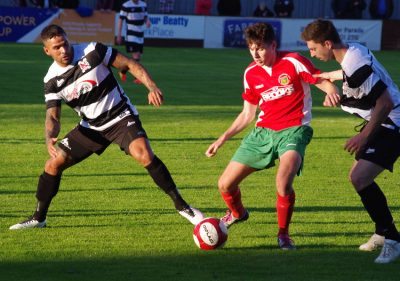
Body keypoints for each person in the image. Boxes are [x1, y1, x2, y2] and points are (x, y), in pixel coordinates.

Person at [9, 24, 204, 230]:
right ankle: (39, 218)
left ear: (69, 39)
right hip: (91, 127)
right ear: (47, 51)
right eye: (56, 47)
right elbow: (53, 116)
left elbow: (128, 64)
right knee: (53, 164)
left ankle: (183, 206)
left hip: (120, 116)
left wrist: (151, 86)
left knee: (144, 154)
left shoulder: (92, 51)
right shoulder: (51, 81)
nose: (64, 50)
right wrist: (50, 136)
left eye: (65, 44)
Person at [205, 22, 340, 250]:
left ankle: (283, 234)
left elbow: (322, 80)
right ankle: (238, 213)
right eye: (251, 48)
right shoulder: (250, 74)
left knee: (283, 182)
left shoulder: (293, 61)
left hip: (294, 129)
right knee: (225, 185)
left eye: (260, 48)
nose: (256, 54)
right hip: (262, 133)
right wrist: (222, 138)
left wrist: (332, 93)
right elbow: (248, 114)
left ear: (273, 45)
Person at [301, 19, 400, 264]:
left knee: (359, 178)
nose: (311, 53)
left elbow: (384, 103)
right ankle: (382, 231)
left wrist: (363, 136)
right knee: (358, 178)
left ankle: (393, 239)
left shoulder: (354, 66)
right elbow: (350, 73)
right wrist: (328, 76)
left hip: (394, 124)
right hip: (385, 122)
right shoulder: (353, 50)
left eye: (313, 49)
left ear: (327, 43)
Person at [117, 0, 151, 84]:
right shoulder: (126, 5)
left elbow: (145, 16)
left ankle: (123, 70)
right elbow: (121, 20)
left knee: (137, 56)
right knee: (136, 54)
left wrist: (147, 22)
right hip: (131, 32)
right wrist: (119, 34)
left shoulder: (143, 5)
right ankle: (138, 77)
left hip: (140, 32)